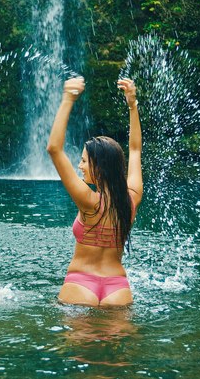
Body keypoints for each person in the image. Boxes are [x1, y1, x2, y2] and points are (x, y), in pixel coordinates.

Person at [46, 77, 143, 307]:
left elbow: (53, 148)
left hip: (80, 284)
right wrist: (132, 105)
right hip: (118, 289)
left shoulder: (88, 201)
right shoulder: (131, 199)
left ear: (98, 168)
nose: (79, 166)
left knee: (76, 343)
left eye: (83, 161)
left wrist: (68, 99)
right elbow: (135, 149)